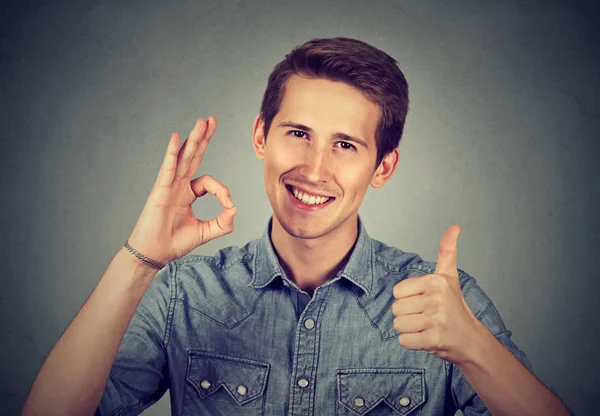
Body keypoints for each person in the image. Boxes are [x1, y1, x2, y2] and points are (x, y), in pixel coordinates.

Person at [21, 37, 572, 416]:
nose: (314, 168)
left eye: (345, 145)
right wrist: (139, 258)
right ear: (261, 136)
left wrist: (474, 348)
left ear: (383, 166)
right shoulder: (185, 294)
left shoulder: (443, 305)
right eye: (298, 133)